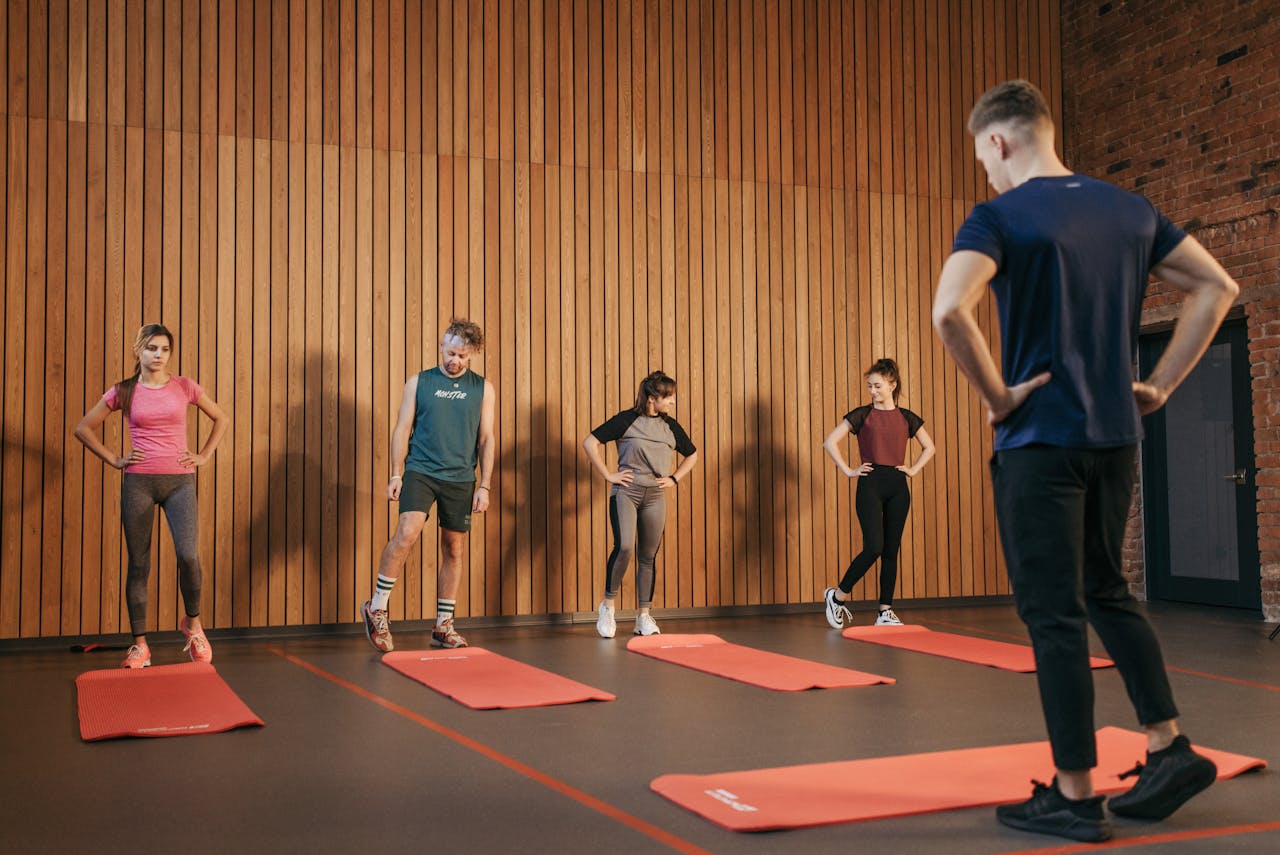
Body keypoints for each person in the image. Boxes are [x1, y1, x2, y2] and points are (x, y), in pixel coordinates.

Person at [933, 79, 1238, 842]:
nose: (987, 176)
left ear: (998, 142)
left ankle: (1072, 794)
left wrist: (1000, 396)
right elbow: (1216, 286)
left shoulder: (999, 215)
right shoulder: (1130, 209)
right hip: (1115, 440)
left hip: (1040, 444)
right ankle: (1168, 745)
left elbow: (948, 310)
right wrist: (1159, 385)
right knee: (1108, 590)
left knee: (1053, 614)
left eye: (984, 160)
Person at [74, 323, 229, 668]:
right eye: (151, 349)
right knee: (139, 564)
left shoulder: (184, 386)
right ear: (138, 351)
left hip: (180, 483)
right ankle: (140, 646)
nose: (158, 355)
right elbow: (83, 427)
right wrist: (115, 459)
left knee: (189, 556)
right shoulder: (124, 391)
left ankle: (194, 627)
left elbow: (221, 417)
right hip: (139, 484)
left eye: (164, 349)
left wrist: (203, 455)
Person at [361, 319, 496, 652]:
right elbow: (402, 428)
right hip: (421, 471)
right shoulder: (419, 382)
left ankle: (443, 626)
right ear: (441, 346)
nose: (456, 361)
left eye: (464, 356)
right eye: (451, 353)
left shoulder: (483, 388)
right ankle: (377, 607)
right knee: (406, 532)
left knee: (454, 549)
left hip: (461, 477)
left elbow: (487, 438)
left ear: (472, 355)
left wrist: (486, 485)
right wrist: (396, 474)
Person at [582, 371, 698, 638]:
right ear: (651, 398)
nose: (671, 402)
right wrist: (608, 475)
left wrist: (674, 478)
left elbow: (692, 455)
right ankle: (608, 607)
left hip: (655, 495)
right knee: (624, 547)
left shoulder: (670, 426)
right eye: (668, 397)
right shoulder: (626, 420)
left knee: (647, 555)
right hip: (627, 492)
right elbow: (590, 442)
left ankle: (643, 616)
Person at [821, 357, 935, 628]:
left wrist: (914, 469)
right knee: (874, 546)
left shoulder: (907, 417)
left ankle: (885, 610)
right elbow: (829, 442)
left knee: (891, 551)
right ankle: (837, 597)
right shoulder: (862, 415)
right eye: (869, 386)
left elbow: (930, 447)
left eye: (877, 386)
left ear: (892, 384)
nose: (872, 391)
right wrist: (849, 470)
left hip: (898, 488)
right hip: (870, 485)